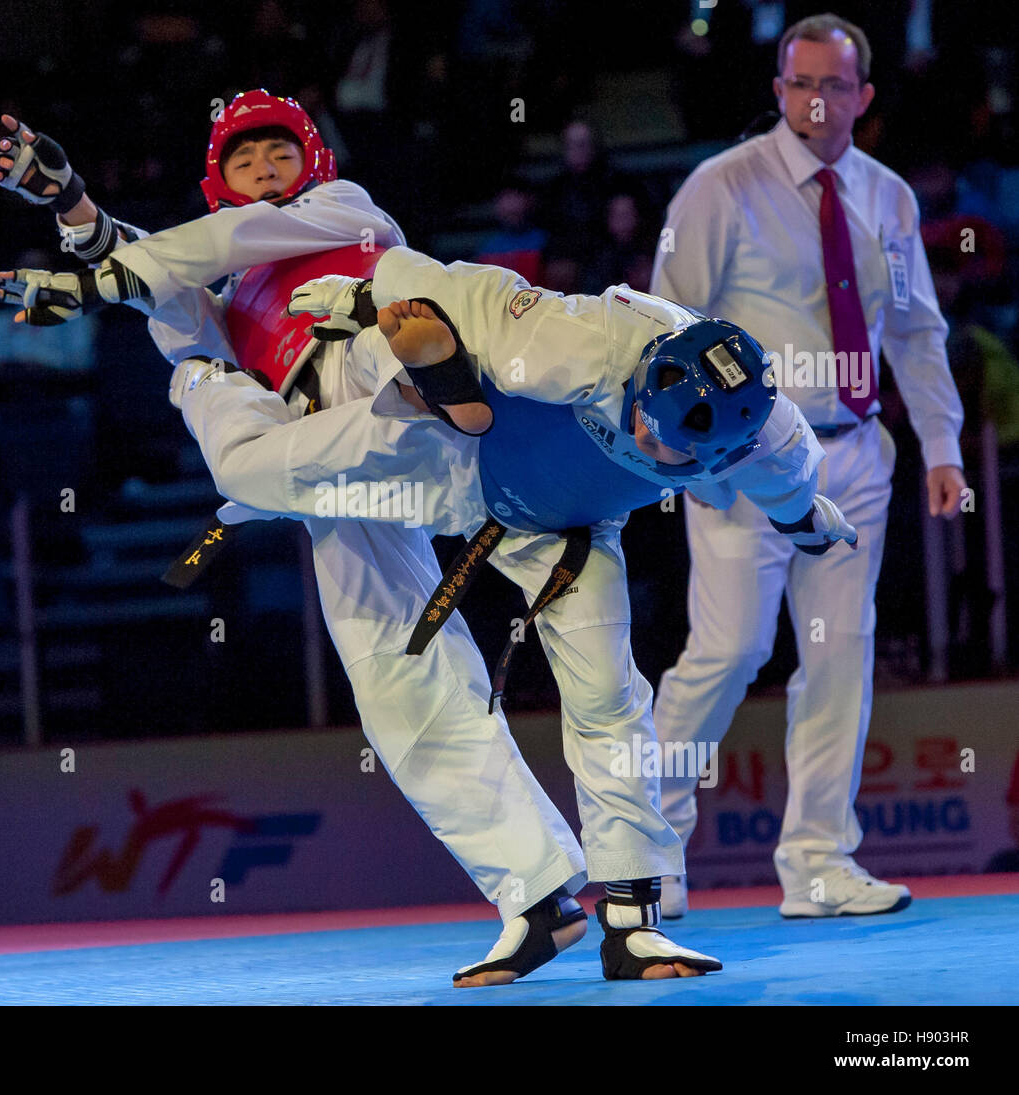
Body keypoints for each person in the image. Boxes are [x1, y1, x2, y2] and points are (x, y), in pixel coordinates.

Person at [0, 91, 603, 986]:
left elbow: (221, 240)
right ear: (216, 177)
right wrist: (70, 200)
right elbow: (162, 275)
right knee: (397, 683)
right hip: (339, 470)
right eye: (245, 163)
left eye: (280, 153)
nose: (266, 173)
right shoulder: (222, 289)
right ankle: (538, 894)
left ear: (312, 157)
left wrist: (89, 276)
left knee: (358, 340)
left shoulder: (342, 211)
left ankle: (439, 389)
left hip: (379, 377)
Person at [165, 243, 859, 978]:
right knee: (251, 472)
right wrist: (367, 300)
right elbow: (448, 288)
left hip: (570, 529)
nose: (648, 437)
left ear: (724, 455)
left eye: (670, 448)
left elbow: (795, 492)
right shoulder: (579, 340)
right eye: (646, 418)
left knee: (609, 695)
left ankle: (630, 920)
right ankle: (205, 375)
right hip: (447, 457)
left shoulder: (771, 438)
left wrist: (805, 522)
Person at [649, 13, 967, 919]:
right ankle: (649, 848)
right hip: (747, 456)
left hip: (859, 452)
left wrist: (942, 446)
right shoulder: (722, 187)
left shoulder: (888, 198)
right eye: (799, 85)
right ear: (779, 90)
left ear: (863, 97)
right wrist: (687, 459)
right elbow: (664, 321)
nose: (815, 101)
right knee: (730, 649)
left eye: (834, 86)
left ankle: (820, 862)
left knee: (838, 659)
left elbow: (914, 328)